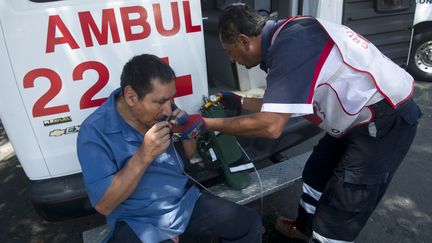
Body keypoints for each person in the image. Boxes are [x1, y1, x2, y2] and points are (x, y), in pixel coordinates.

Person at [204, 4, 422, 243]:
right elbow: (283, 102)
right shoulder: (287, 36)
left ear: (244, 41)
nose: (231, 59)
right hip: (357, 117)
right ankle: (303, 230)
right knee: (316, 172)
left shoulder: (291, 45)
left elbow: (271, 125)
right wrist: (240, 101)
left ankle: (324, 236)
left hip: (385, 120)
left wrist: (207, 123)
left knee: (342, 208)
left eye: (229, 51)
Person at [77, 54, 262, 243]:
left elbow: (185, 159)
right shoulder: (94, 132)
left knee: (248, 224)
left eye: (171, 100)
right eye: (160, 102)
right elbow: (104, 205)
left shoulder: (163, 109)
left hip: (183, 204)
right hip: (138, 221)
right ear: (131, 96)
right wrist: (144, 154)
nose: (168, 109)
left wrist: (186, 133)